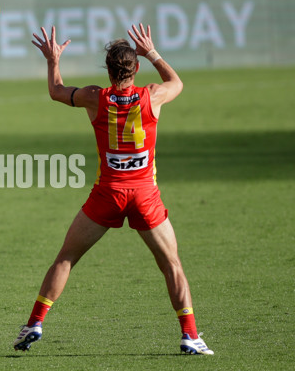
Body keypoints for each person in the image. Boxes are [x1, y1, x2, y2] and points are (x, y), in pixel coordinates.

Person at [12, 24, 214, 355]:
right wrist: (153, 53)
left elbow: (56, 91)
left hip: (107, 195)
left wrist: (53, 59)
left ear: (108, 70)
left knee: (66, 258)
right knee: (172, 265)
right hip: (145, 195)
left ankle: (34, 323)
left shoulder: (96, 97)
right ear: (135, 69)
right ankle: (190, 335)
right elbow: (177, 83)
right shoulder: (152, 95)